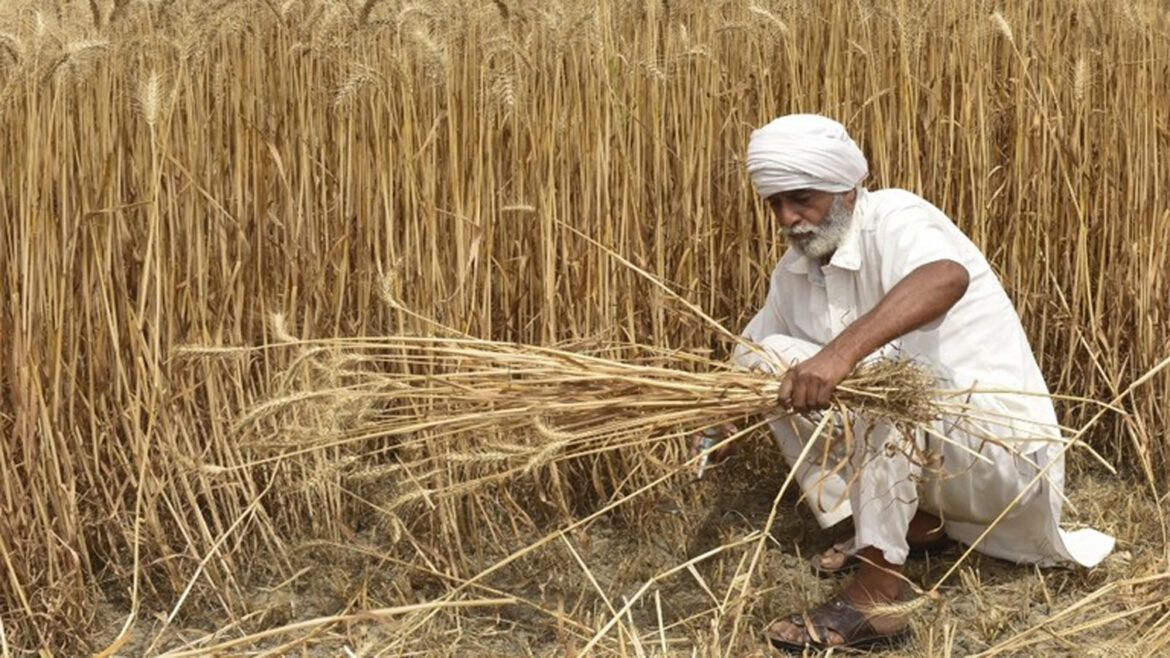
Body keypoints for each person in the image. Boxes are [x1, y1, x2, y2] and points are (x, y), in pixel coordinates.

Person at [705, 114, 1114, 651]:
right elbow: (750, 353)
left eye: (802, 198)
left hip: (1001, 458)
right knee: (770, 358)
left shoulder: (894, 215)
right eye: (775, 204)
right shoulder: (794, 272)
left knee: (885, 384)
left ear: (847, 187)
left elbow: (945, 277)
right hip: (945, 472)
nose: (789, 218)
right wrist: (713, 426)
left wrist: (839, 356)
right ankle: (913, 525)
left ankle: (878, 602)